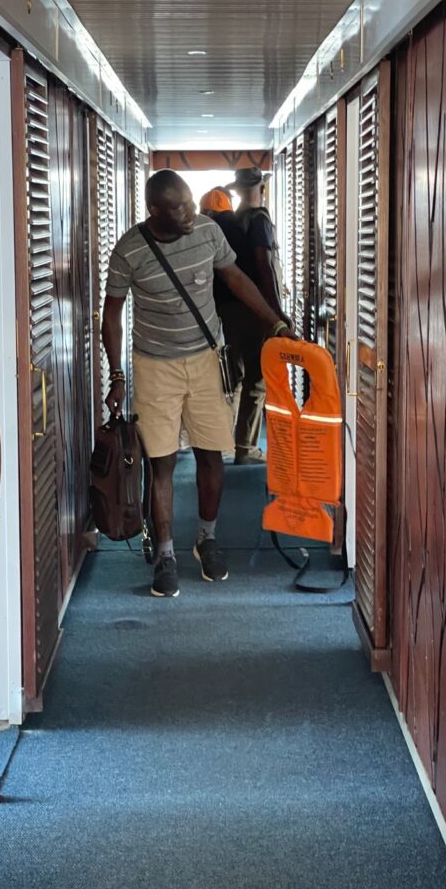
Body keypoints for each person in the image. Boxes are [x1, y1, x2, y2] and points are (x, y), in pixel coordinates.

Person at [102, 169, 293, 599]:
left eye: (190, 203)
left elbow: (237, 279)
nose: (190, 213)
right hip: (155, 366)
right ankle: (166, 555)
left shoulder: (207, 231)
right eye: (179, 208)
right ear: (155, 210)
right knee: (162, 463)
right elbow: (111, 314)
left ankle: (207, 538)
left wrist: (275, 322)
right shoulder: (130, 249)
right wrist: (116, 375)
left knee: (211, 454)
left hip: (206, 359)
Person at [220, 165, 289, 465]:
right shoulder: (260, 220)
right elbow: (265, 267)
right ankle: (246, 448)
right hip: (254, 309)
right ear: (261, 188)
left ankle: (225, 442)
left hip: (227, 309)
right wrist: (276, 314)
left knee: (234, 376)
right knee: (256, 378)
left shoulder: (227, 221)